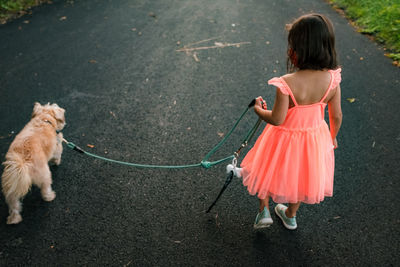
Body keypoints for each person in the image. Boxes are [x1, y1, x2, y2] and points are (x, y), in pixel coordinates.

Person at [239, 14, 343, 230]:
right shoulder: (333, 80)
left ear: (298, 51)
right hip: (313, 140)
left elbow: (277, 119)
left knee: (265, 169)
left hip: (282, 139)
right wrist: (332, 138)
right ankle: (290, 214)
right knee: (302, 176)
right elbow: (336, 116)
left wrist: (259, 110)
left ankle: (264, 211)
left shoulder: (286, 83)